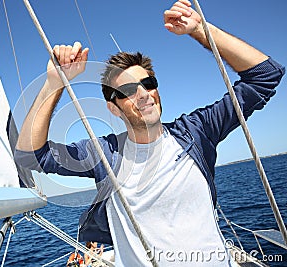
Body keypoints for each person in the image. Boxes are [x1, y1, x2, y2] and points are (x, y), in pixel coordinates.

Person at [15, 0, 285, 266]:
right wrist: (55, 83)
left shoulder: (196, 132)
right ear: (114, 108)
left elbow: (265, 76)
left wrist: (200, 30)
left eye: (148, 83)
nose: (143, 94)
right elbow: (30, 156)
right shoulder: (103, 155)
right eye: (129, 90)